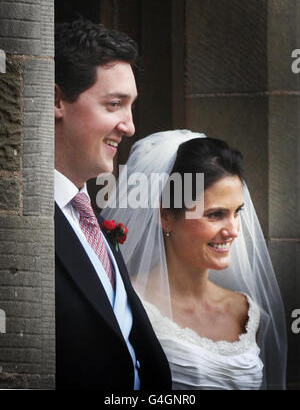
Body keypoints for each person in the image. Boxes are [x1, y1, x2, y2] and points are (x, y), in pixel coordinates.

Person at [102, 130, 287, 390]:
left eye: (237, 212)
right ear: (166, 216)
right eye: (215, 214)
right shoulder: (126, 304)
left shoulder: (247, 313)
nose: (233, 230)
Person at [54, 20, 172, 390]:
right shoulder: (17, 225)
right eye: (115, 104)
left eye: (131, 106)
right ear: (55, 101)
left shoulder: (93, 217)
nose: (130, 126)